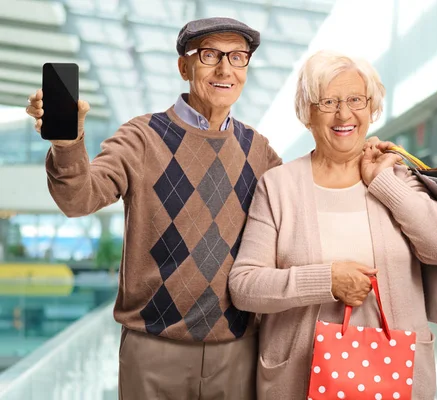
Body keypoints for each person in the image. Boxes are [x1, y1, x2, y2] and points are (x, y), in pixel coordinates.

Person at [26, 17, 282, 400]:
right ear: (184, 66)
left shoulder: (258, 150)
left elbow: (295, 208)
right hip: (152, 350)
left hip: (237, 349)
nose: (225, 69)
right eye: (210, 55)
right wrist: (67, 144)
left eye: (238, 57)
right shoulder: (141, 138)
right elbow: (79, 199)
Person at [228, 50, 437, 400]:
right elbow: (245, 286)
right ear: (307, 112)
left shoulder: (396, 175)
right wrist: (326, 280)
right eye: (328, 102)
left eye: (355, 99)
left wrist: (384, 184)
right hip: (299, 378)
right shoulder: (278, 186)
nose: (344, 114)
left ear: (371, 108)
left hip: (396, 377)